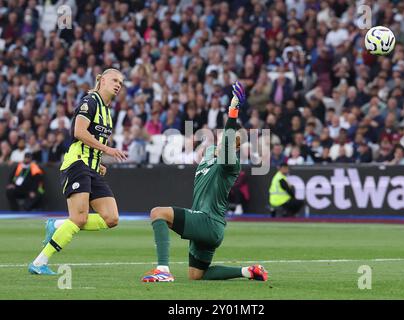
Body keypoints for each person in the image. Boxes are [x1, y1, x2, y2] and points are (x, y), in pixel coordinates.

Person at [141, 81, 268, 282]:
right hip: (209, 226)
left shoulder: (231, 163)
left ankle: (163, 270)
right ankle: (248, 271)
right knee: (196, 276)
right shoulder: (208, 153)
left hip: (208, 222)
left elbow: (227, 140)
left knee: (158, 213)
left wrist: (233, 110)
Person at [28, 68, 128, 275]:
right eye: (114, 80)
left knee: (111, 218)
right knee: (80, 218)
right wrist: (108, 150)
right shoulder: (89, 101)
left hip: (91, 167)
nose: (118, 84)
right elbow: (79, 132)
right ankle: (39, 262)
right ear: (101, 80)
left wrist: (99, 161)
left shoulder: (107, 112)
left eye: (121, 82)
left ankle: (57, 225)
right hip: (77, 164)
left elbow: (94, 140)